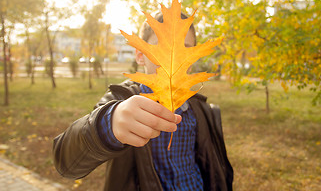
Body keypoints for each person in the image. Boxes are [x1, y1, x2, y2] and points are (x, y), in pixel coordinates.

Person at [53, 12, 233, 191]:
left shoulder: (201, 110)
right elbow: (66, 162)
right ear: (140, 55)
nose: (174, 57)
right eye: (163, 48)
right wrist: (107, 125)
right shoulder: (121, 103)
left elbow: (216, 169)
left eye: (184, 49)